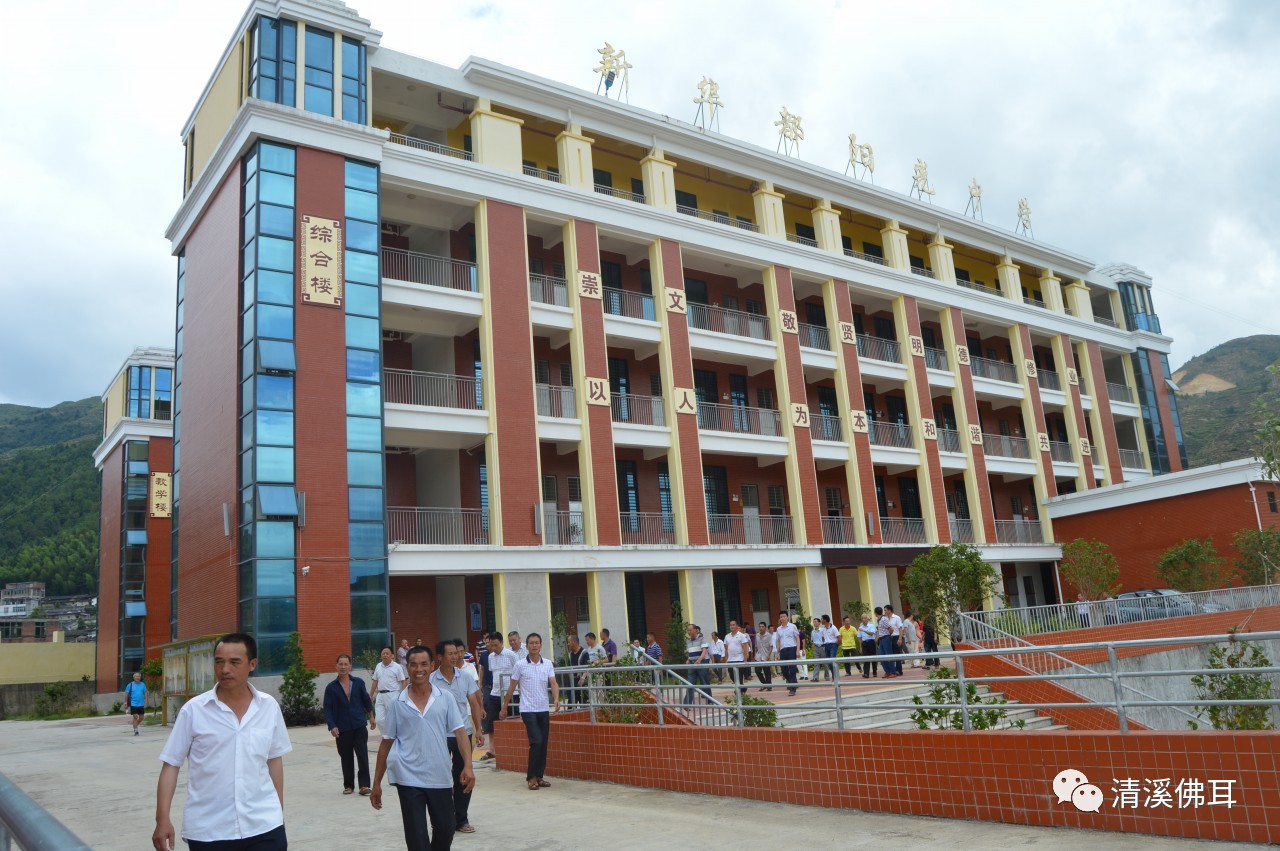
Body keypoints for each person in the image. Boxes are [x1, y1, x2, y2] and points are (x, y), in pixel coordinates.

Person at [153, 633, 291, 851]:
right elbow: (171, 764)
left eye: (234, 662)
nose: (225, 669)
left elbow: (274, 760)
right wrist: (162, 819)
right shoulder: (194, 710)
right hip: (210, 831)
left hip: (264, 826)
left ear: (252, 664)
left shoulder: (268, 707)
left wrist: (278, 813)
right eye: (219, 662)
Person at [371, 645, 474, 850]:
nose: (419, 669)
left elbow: (461, 732)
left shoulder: (445, 698)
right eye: (414, 665)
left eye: (424, 664)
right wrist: (376, 783)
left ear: (432, 665)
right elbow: (386, 744)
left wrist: (468, 766)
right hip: (408, 778)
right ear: (407, 668)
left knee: (446, 829)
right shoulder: (398, 704)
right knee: (417, 837)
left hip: (440, 776)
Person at [431, 640, 484, 835]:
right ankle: (443, 818)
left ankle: (461, 819)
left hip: (463, 733)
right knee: (441, 778)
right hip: (439, 736)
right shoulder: (431, 681)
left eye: (457, 653)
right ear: (439, 657)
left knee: (463, 776)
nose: (455, 657)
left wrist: (478, 729)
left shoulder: (466, 677)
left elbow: (474, 703)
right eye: (450, 653)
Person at [499, 633, 559, 791]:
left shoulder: (547, 664)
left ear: (541, 645)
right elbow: (512, 686)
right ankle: (531, 777)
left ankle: (539, 776)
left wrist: (557, 698)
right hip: (527, 709)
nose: (534, 645)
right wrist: (505, 706)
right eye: (531, 643)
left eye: (537, 643)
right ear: (527, 646)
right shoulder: (520, 665)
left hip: (543, 709)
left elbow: (553, 682)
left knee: (543, 743)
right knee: (536, 741)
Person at [323, 654, 376, 796]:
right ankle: (349, 785)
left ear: (350, 666)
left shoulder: (358, 683)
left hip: (359, 725)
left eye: (346, 664)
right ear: (336, 666)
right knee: (346, 757)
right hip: (342, 728)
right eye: (340, 664)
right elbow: (327, 709)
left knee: (362, 755)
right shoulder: (331, 688)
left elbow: (366, 700)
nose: (343, 667)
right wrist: (332, 725)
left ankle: (364, 785)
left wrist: (371, 716)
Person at [481, 632, 517, 763]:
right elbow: (492, 673)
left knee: (512, 721)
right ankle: (492, 750)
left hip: (511, 693)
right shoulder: (491, 656)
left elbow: (518, 673)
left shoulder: (511, 655)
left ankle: (513, 748)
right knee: (492, 723)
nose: (493, 648)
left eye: (495, 645)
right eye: (491, 645)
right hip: (495, 693)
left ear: (501, 642)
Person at [372, 646, 408, 729]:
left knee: (392, 719)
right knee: (379, 720)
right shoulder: (378, 666)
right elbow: (375, 681)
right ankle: (387, 737)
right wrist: (370, 695)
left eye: (387, 653)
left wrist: (405, 695)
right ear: (381, 655)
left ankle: (392, 738)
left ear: (392, 655)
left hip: (393, 695)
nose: (385, 655)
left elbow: (403, 681)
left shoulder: (397, 667)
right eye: (383, 654)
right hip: (380, 695)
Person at [722, 620, 752, 694]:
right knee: (732, 676)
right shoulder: (727, 636)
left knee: (739, 677)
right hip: (730, 660)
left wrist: (745, 660)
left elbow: (745, 648)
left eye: (733, 625)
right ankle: (742, 688)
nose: (732, 626)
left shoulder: (741, 636)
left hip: (739, 659)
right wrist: (726, 659)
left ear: (736, 626)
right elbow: (726, 648)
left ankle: (739, 690)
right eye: (730, 625)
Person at [684, 624, 711, 704]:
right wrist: (688, 659)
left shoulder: (701, 639)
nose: (689, 632)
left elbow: (704, 651)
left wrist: (699, 659)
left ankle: (710, 700)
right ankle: (687, 704)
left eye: (690, 630)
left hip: (701, 663)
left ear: (696, 630)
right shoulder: (688, 641)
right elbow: (690, 652)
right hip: (692, 664)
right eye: (688, 630)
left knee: (704, 682)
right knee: (690, 684)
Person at [775, 611, 800, 696]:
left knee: (792, 669)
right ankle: (793, 682)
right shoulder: (778, 629)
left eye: (784, 616)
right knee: (784, 670)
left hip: (791, 649)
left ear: (787, 617)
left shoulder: (792, 626)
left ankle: (792, 689)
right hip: (783, 650)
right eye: (781, 617)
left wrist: (797, 650)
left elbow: (797, 638)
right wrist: (777, 652)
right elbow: (778, 641)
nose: (782, 618)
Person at [561, 635, 589, 707]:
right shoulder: (571, 654)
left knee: (584, 703)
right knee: (571, 704)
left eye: (569, 642)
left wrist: (583, 678)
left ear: (574, 642)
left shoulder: (584, 653)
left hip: (581, 682)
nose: (568, 644)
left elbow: (587, 666)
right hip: (572, 681)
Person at [123, 671, 147, 736]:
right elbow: (126, 694)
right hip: (133, 703)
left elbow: (145, 692)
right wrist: (125, 703)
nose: (138, 678)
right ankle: (136, 730)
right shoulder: (130, 685)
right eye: (136, 676)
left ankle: (135, 725)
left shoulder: (142, 684)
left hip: (141, 703)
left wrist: (146, 699)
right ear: (134, 677)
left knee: (141, 717)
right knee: (135, 716)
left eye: (139, 676)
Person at [754, 622, 774, 690]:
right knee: (757, 670)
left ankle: (769, 686)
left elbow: (771, 646)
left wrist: (768, 655)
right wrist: (755, 654)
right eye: (760, 627)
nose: (761, 628)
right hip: (758, 655)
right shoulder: (757, 635)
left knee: (767, 671)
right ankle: (764, 683)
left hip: (766, 655)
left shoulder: (768, 635)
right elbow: (756, 646)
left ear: (765, 627)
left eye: (762, 626)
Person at [875, 606, 894, 678]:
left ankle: (893, 672)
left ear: (875, 613)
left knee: (889, 655)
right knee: (881, 656)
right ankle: (887, 671)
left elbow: (891, 629)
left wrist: (888, 636)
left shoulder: (884, 619)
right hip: (881, 639)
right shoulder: (879, 620)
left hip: (886, 638)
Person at [885, 605, 904, 677]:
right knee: (891, 655)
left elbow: (900, 628)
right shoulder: (885, 619)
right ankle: (892, 670)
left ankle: (899, 670)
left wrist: (900, 638)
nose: (885, 612)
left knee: (897, 654)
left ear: (889, 610)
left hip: (896, 637)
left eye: (886, 610)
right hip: (889, 638)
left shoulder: (896, 618)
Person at [857, 613, 878, 678]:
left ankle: (874, 671)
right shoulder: (860, 627)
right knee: (866, 658)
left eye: (865, 618)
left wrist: (864, 630)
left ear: (867, 618)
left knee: (873, 658)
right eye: (862, 618)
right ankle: (866, 673)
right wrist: (860, 646)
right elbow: (859, 637)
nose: (864, 620)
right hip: (864, 643)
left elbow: (871, 633)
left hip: (871, 642)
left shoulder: (871, 625)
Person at [821, 615, 840, 680]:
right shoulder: (824, 629)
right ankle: (834, 676)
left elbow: (839, 638)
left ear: (825, 620)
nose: (821, 620)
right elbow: (823, 638)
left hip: (833, 645)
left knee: (832, 660)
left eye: (822, 619)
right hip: (826, 645)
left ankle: (835, 677)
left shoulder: (833, 628)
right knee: (829, 662)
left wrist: (836, 645)